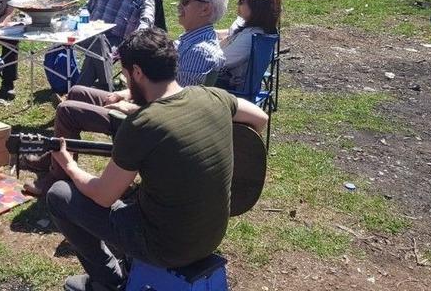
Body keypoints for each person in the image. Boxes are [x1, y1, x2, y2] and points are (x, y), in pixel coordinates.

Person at [45, 29, 269, 291]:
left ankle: (109, 281)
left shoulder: (142, 124)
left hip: (166, 247)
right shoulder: (213, 96)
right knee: (137, 192)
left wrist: (69, 165)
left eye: (126, 76)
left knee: (59, 195)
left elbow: (103, 196)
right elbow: (260, 118)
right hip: (212, 235)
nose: (127, 84)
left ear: (138, 72)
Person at [21, 0, 228, 196]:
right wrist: (125, 93)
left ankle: (57, 176)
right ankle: (53, 159)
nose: (179, 5)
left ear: (205, 9)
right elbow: (164, 87)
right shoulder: (190, 40)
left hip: (149, 123)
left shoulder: (199, 52)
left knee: (66, 110)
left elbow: (178, 110)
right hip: (148, 106)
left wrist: (130, 107)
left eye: (185, 0)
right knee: (77, 92)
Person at [77, 0, 166, 90]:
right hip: (87, 34)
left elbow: (147, 20)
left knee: (99, 47)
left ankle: (83, 91)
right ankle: (99, 90)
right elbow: (85, 9)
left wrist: (136, 39)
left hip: (118, 40)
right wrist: (78, 20)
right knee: (92, 44)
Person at [216, 0, 282, 90]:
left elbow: (219, 61)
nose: (238, 4)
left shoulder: (250, 37)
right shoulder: (259, 33)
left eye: (242, 1)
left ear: (256, 8)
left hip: (230, 90)